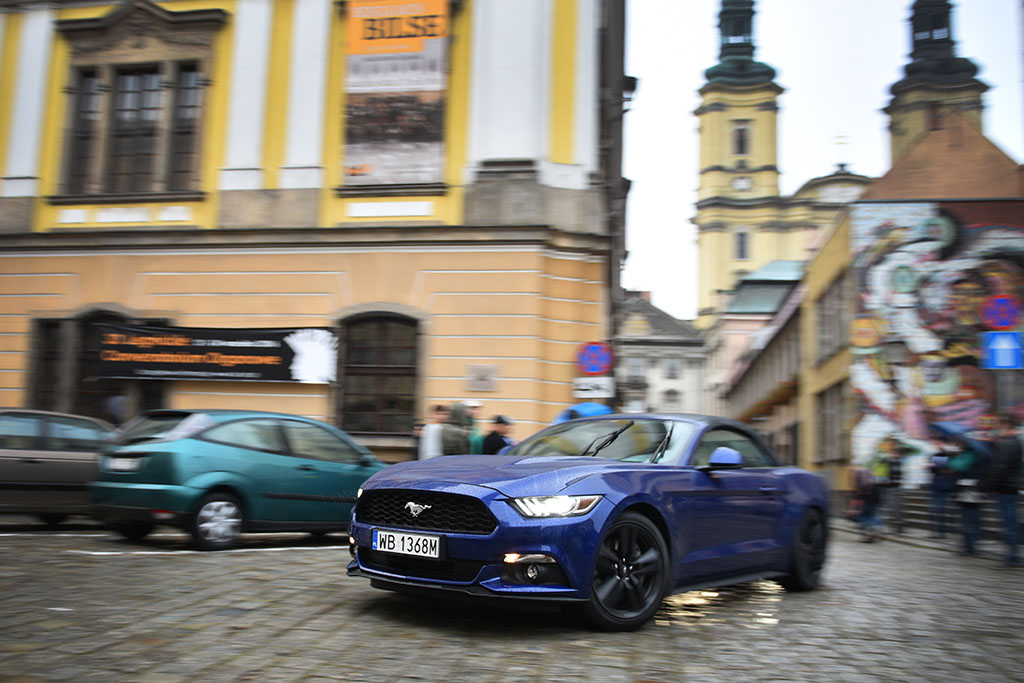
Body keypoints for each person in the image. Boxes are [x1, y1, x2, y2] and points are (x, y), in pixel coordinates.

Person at [979, 415, 1021, 567]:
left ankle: (1012, 556)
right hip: (1009, 487)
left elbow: (999, 467)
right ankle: (1012, 554)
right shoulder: (1009, 442)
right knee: (1009, 522)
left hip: (1005, 488)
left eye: (997, 424)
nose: (995, 428)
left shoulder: (1007, 444)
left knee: (1008, 522)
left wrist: (989, 486)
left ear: (1006, 425)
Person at [948, 433, 986, 557]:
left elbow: (958, 466)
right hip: (972, 489)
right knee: (971, 517)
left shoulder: (971, 453)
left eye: (959, 441)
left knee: (969, 519)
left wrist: (950, 460)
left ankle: (969, 547)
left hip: (969, 490)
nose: (957, 443)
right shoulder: (973, 452)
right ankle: (970, 544)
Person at [928, 437, 959, 538]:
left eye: (937, 442)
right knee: (939, 509)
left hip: (943, 485)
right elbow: (934, 469)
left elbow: (937, 469)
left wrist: (934, 466)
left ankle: (941, 531)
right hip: (941, 485)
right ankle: (939, 531)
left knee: (940, 509)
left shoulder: (943, 455)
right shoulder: (940, 455)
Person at [851, 465, 883, 542]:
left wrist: (856, 506)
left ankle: (874, 528)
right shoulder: (873, 482)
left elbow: (861, 494)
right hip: (875, 501)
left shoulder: (864, 484)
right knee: (870, 516)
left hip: (868, 501)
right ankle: (871, 533)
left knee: (863, 517)